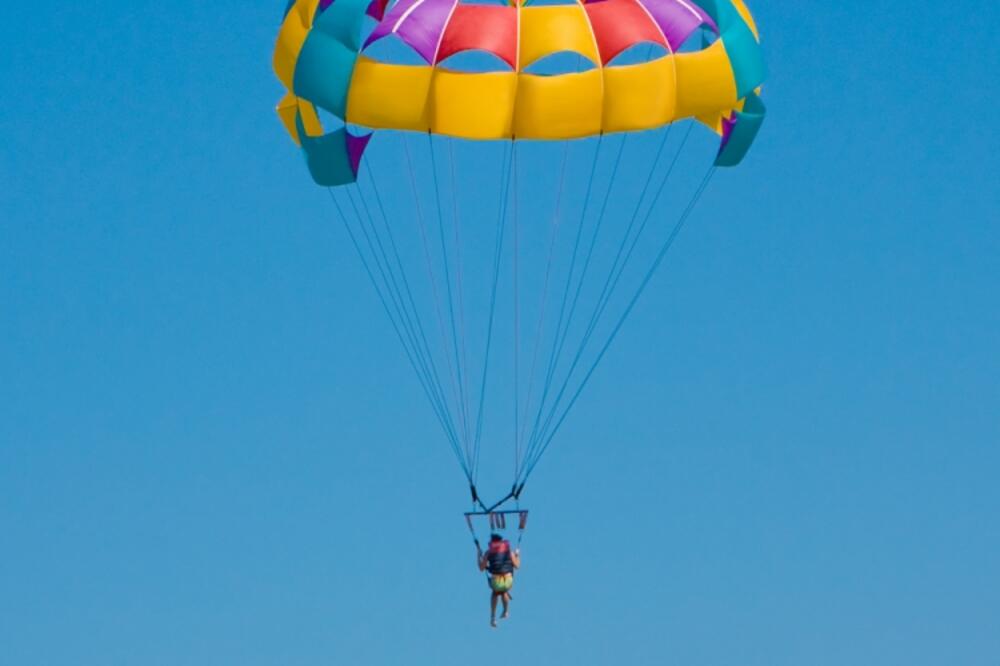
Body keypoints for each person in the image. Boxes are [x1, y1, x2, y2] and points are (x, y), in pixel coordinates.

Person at [478, 533, 521, 627]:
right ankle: (506, 611)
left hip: (496, 582)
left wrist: (478, 556)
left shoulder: (488, 552)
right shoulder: (509, 551)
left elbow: (481, 568)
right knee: (504, 591)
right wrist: (517, 555)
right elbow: (517, 565)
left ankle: (492, 617)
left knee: (495, 593)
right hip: (508, 581)